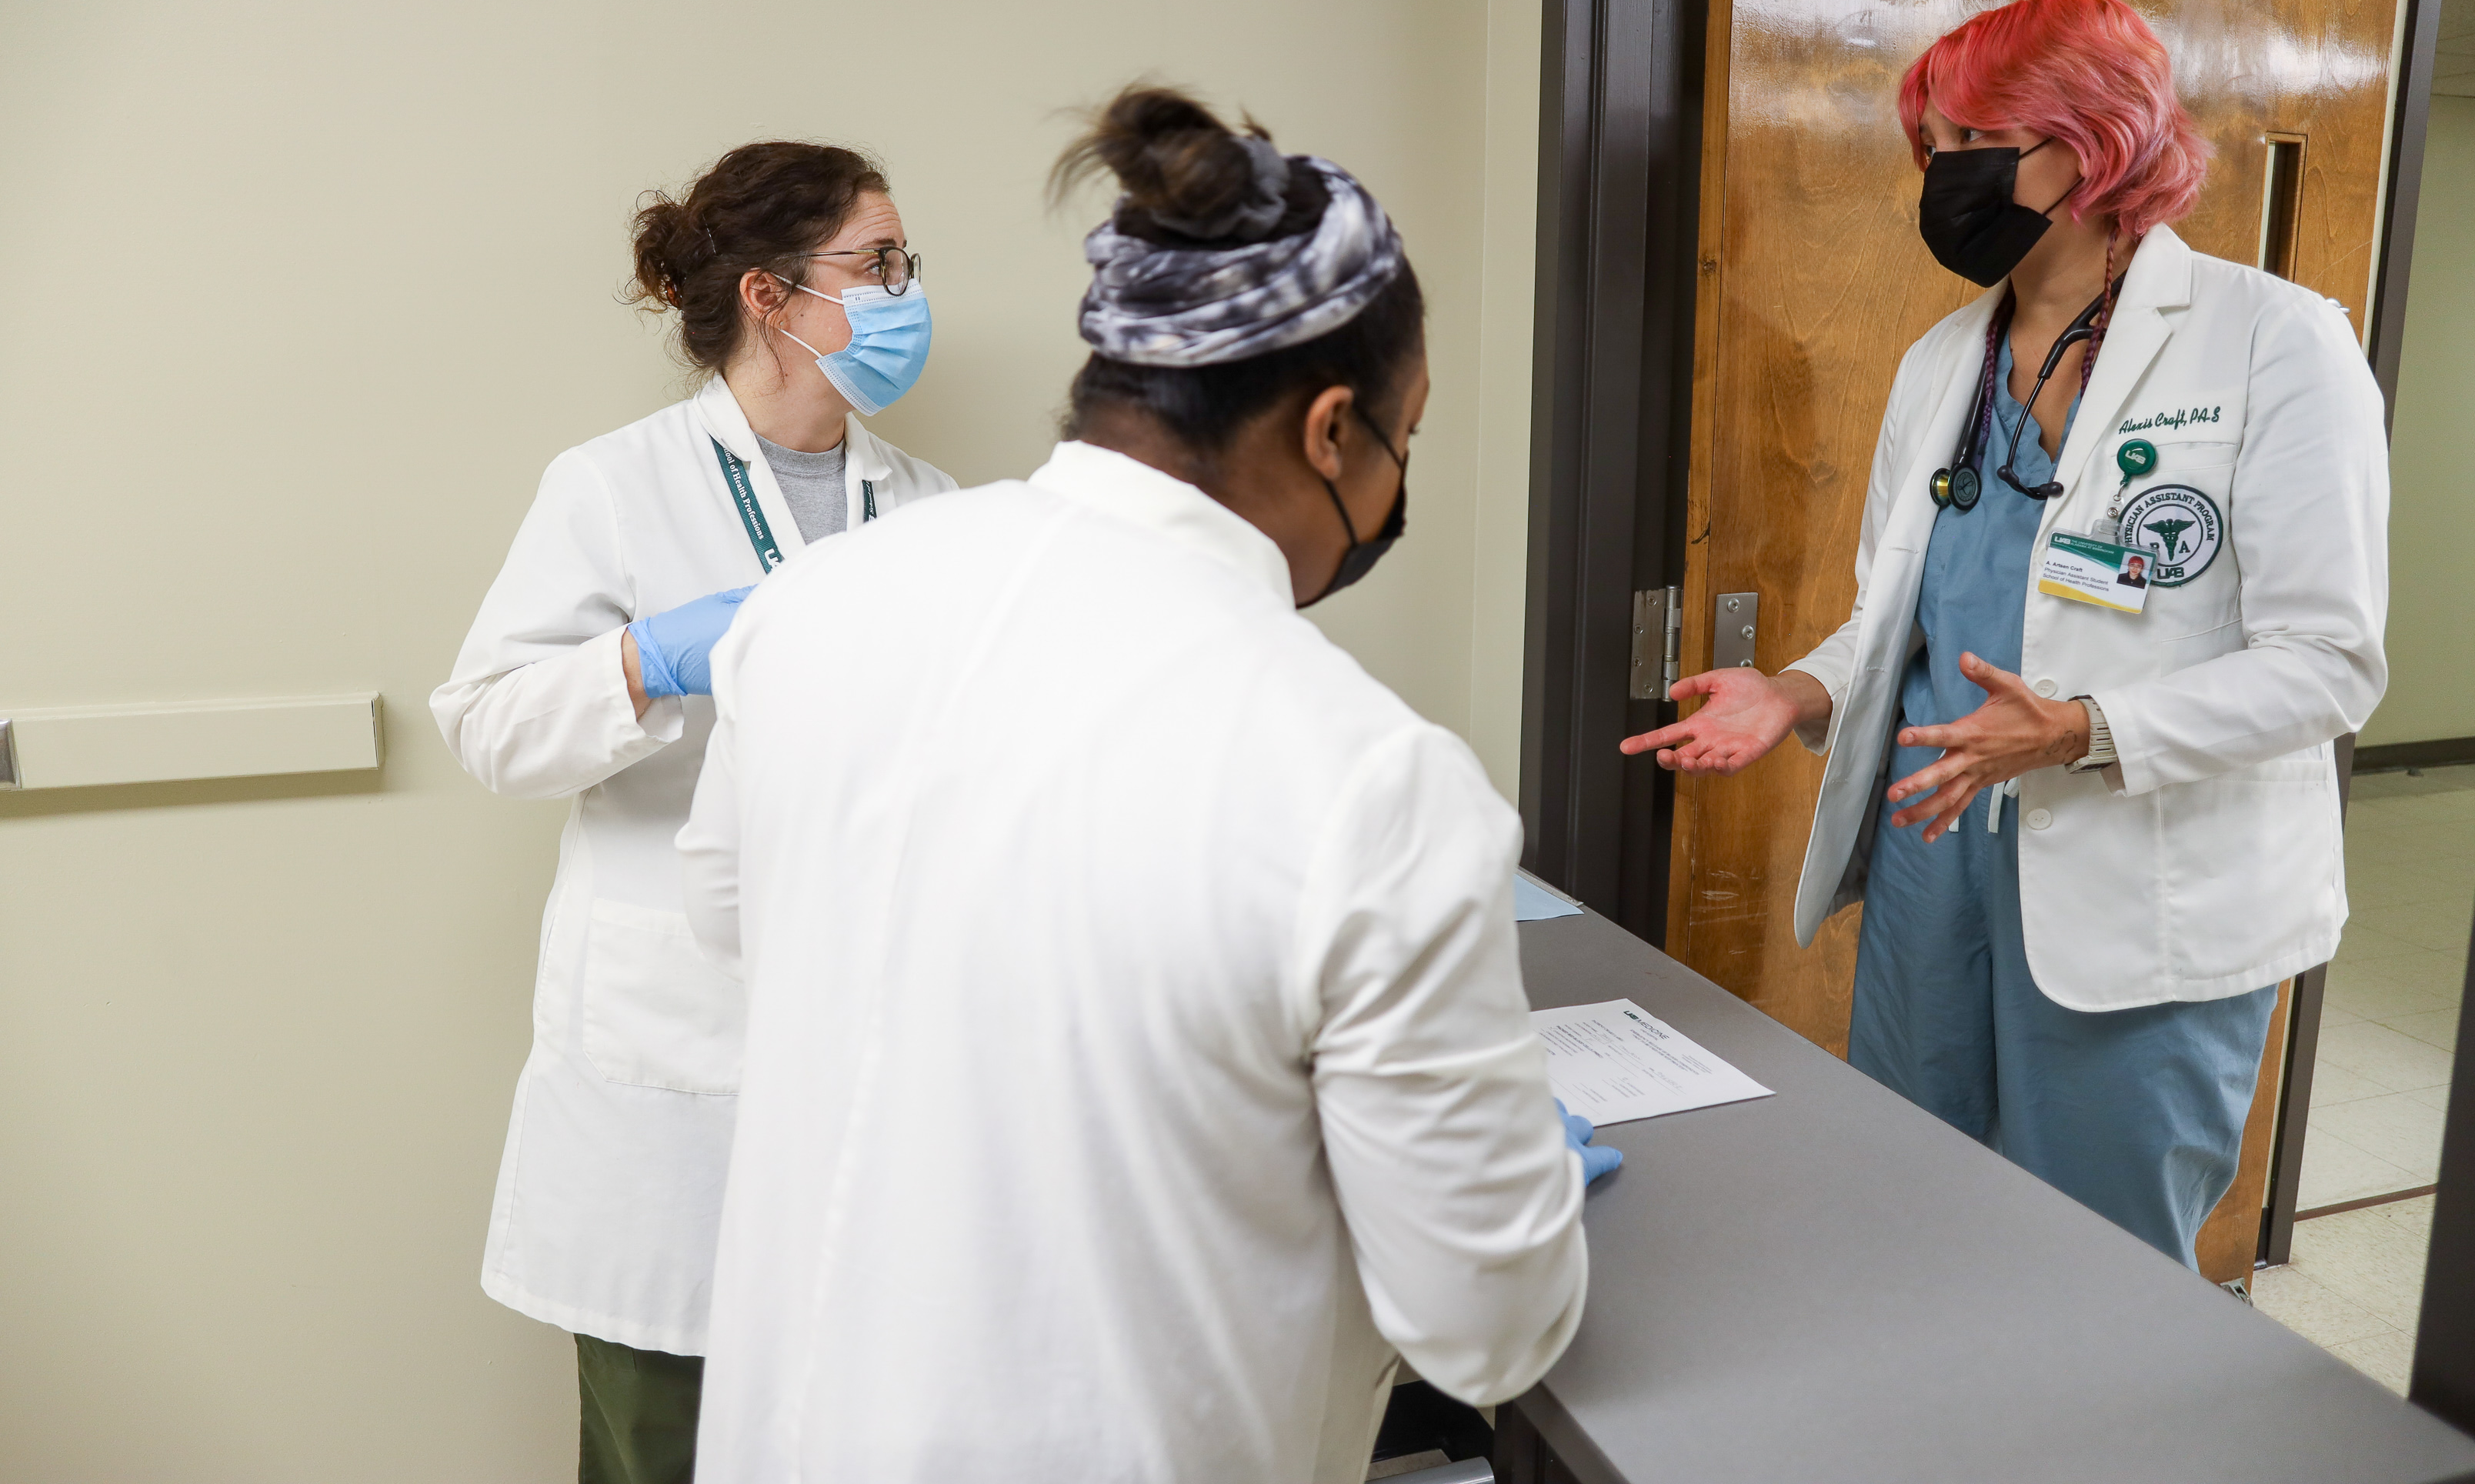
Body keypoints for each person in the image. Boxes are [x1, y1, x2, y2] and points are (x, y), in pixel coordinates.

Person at [679, 88, 1605, 1483]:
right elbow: (1487, 1331)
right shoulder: (1366, 777)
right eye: (1404, 441)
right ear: (1332, 431)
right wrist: (1503, 1180)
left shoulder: (808, 612)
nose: (1395, 486)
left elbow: (730, 924)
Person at [1622, 0, 2388, 1269]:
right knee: (1908, 1217)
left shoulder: (2273, 344)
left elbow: (2330, 665)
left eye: (1975, 141)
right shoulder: (1945, 361)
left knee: (2100, 1266)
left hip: (2141, 884)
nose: (1944, 175)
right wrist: (1797, 691)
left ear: (2092, 146)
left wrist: (2083, 729)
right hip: (1935, 876)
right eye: (1933, 146)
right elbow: (1899, 619)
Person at [430, 142, 955, 1483]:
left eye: (905, 263)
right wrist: (649, 661)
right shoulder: (613, 486)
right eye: (878, 264)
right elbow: (488, 726)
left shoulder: (932, 509)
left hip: (877, 1056)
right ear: (773, 296)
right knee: (666, 1438)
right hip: (674, 1064)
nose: (905, 292)